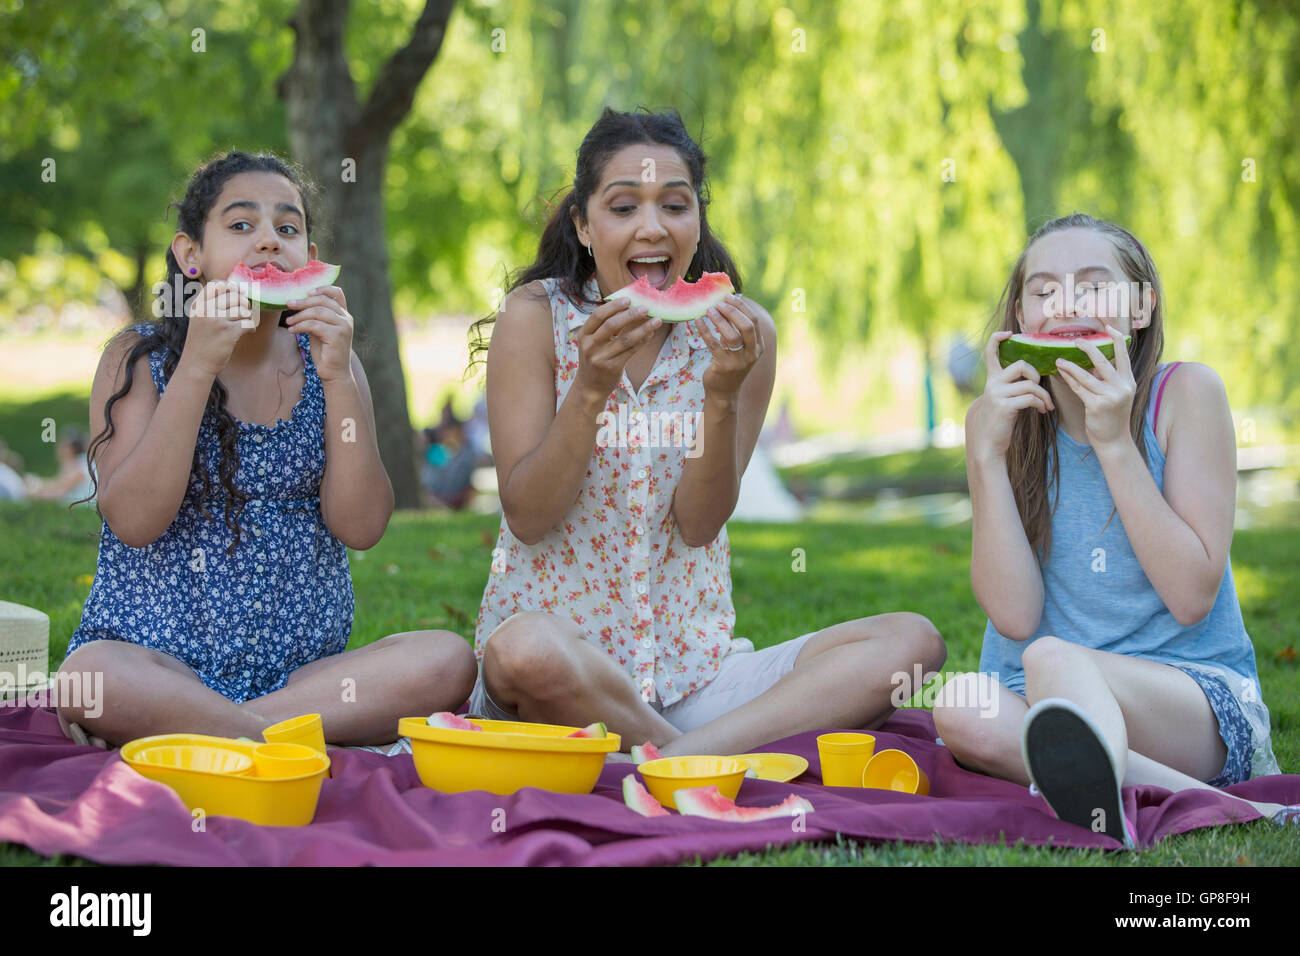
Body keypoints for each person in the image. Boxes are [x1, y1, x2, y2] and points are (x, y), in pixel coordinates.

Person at [465, 107, 945, 756]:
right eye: (624, 206)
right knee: (524, 649)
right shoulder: (534, 319)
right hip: (556, 684)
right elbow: (528, 514)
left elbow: (698, 524)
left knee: (912, 643)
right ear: (583, 224)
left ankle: (679, 758)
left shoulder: (740, 337)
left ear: (698, 218)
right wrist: (591, 388)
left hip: (694, 680)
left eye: (675, 204)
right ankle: (700, 759)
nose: (653, 227)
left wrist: (720, 396)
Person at [56, 151, 475, 751]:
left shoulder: (332, 362)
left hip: (305, 676)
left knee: (447, 659)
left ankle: (216, 730)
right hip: (154, 662)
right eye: (241, 225)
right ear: (190, 255)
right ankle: (275, 737)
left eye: (288, 227)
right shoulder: (141, 359)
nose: (269, 243)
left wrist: (337, 381)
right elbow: (134, 520)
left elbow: (361, 526)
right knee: (88, 678)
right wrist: (199, 364)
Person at [932, 213, 1293, 846]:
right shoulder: (998, 423)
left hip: (1185, 699)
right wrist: (985, 459)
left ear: (1142, 307)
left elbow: (1191, 596)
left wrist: (1112, 445)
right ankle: (1167, 797)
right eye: (1043, 291)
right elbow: (1015, 617)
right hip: (1041, 699)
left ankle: (1163, 791)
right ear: (1019, 315)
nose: (1065, 303)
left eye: (1093, 286)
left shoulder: (1186, 397)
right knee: (959, 703)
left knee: (1051, 659)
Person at [24, 432, 94, 503]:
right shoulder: (73, 465)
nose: (58, 448)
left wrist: (33, 493)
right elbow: (58, 484)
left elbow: (59, 492)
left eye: (62, 446)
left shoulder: (80, 468)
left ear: (70, 450)